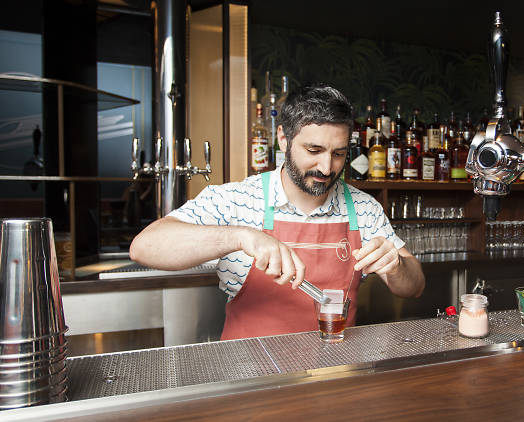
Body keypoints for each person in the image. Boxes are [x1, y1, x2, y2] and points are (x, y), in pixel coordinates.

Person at [129, 85, 425, 339]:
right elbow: (144, 247)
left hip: (334, 376)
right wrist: (242, 237)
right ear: (283, 139)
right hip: (251, 380)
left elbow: (414, 287)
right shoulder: (237, 199)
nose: (326, 167)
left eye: (338, 154)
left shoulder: (364, 209)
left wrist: (396, 265)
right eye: (313, 150)